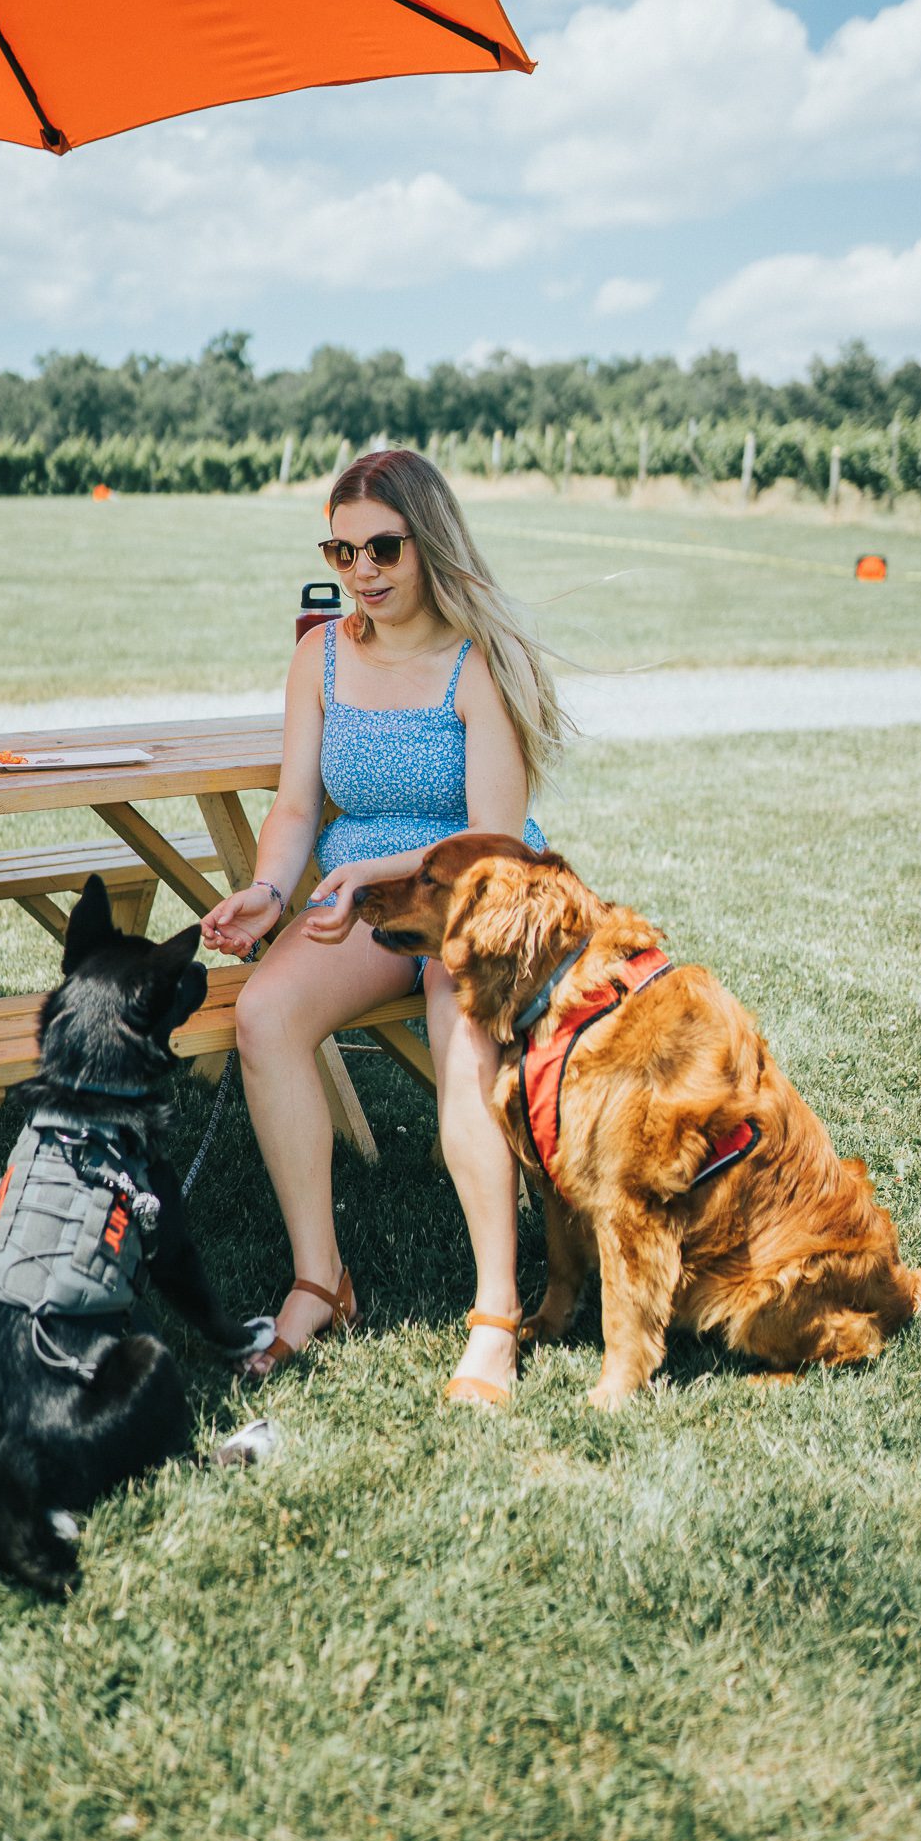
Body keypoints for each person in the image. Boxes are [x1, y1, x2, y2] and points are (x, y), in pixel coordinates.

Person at [201, 448, 565, 1406]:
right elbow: (292, 809)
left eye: (383, 547)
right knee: (264, 1018)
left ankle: (495, 1313)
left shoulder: (480, 662)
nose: (361, 568)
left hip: (474, 893)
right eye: (342, 547)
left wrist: (382, 869)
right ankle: (319, 1279)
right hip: (367, 901)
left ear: (428, 542)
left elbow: (490, 840)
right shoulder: (319, 653)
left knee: (461, 1044)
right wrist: (272, 894)